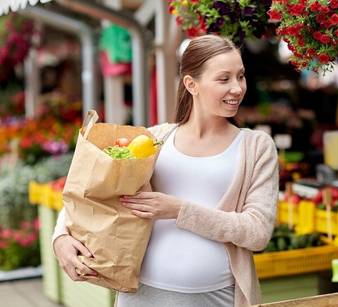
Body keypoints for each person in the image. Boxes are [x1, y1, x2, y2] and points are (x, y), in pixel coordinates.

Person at [52, 34, 279, 307]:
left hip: (216, 298)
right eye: (224, 79)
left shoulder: (256, 147)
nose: (237, 88)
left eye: (240, 76)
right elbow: (94, 191)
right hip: (141, 296)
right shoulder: (155, 139)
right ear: (191, 84)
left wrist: (179, 210)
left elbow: (257, 232)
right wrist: (61, 237)